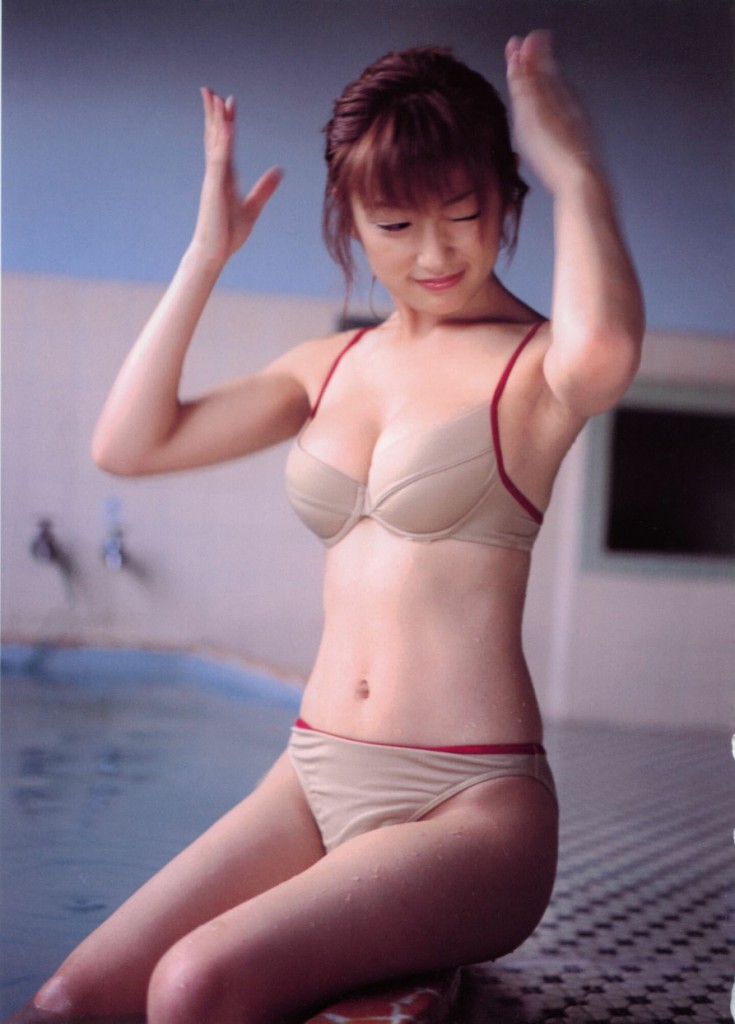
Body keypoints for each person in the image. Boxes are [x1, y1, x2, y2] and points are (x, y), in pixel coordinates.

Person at [16, 30, 643, 1024]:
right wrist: (206, 254)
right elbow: (128, 445)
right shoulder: (330, 367)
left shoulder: (536, 365)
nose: (433, 252)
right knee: (66, 1003)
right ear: (348, 220)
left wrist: (575, 167)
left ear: (506, 202)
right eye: (394, 222)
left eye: (464, 213)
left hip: (471, 805)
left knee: (192, 987)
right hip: (312, 776)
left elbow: (606, 346)